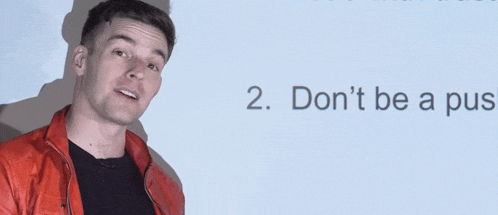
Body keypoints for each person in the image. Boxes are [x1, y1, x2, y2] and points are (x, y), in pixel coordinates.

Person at [0, 0, 184, 214]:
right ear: (81, 61)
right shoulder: (9, 168)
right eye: (121, 52)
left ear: (157, 86)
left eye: (152, 65)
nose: (138, 71)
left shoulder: (167, 191)